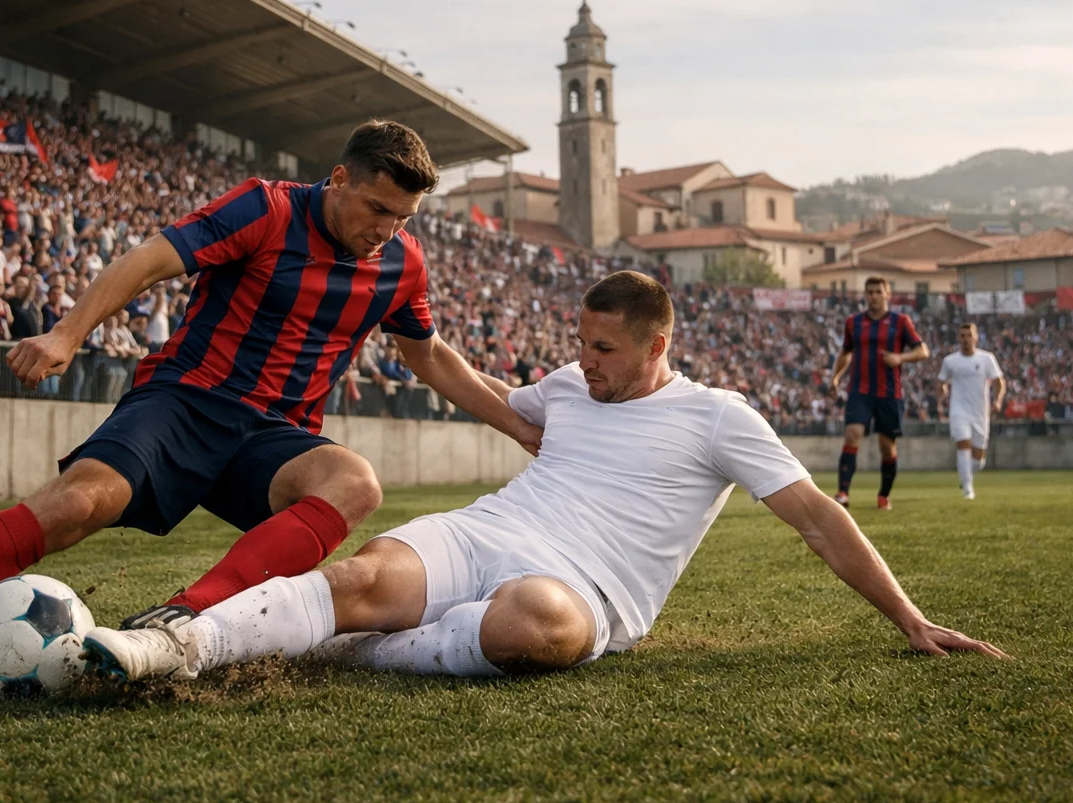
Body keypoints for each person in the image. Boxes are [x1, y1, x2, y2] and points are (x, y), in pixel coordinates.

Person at [0, 120, 542, 699]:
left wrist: (519, 425)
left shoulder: (400, 263)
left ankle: (181, 619)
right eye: (378, 208)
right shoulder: (267, 207)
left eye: (402, 218)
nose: (386, 230)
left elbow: (429, 355)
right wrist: (66, 334)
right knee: (75, 504)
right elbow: (149, 260)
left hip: (273, 436)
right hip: (184, 402)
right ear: (339, 179)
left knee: (355, 484)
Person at [82, 272, 1007, 685]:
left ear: (657, 344)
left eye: (603, 349)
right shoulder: (569, 385)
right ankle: (176, 649)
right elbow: (493, 397)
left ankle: (350, 652)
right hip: (490, 528)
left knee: (533, 624)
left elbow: (816, 519)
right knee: (361, 575)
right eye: (581, 344)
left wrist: (908, 618)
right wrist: (416, 341)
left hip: (588, 587)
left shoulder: (720, 417)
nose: (584, 362)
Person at [829, 276, 927, 510]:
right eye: (869, 292)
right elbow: (845, 352)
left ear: (887, 294)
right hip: (859, 391)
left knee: (886, 447)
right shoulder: (853, 322)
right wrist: (835, 377)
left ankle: (883, 495)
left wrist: (900, 358)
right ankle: (842, 493)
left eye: (878, 292)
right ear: (865, 295)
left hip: (889, 393)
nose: (873, 296)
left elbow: (923, 351)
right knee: (852, 434)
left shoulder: (900, 321)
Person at [937, 322, 1005, 500]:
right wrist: (942, 390)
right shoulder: (950, 361)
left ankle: (966, 474)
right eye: (962, 335)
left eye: (969, 335)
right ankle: (967, 488)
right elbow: (941, 381)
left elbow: (999, 382)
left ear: (976, 337)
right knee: (963, 444)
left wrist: (998, 400)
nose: (966, 339)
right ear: (958, 338)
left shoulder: (986, 359)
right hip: (959, 410)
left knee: (978, 459)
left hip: (980, 412)